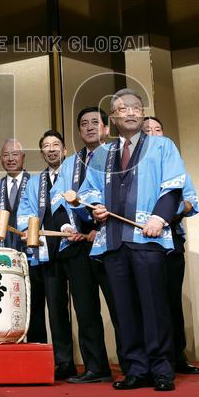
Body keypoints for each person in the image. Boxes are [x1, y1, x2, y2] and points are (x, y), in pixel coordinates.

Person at [77, 89, 185, 392]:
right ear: (112, 118)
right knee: (123, 310)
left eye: (136, 107)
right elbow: (87, 192)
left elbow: (174, 187)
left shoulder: (163, 146)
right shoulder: (102, 153)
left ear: (143, 112)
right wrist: (94, 207)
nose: (131, 112)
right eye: (123, 109)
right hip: (112, 240)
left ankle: (162, 369)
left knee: (154, 306)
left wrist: (159, 219)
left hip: (148, 238)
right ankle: (135, 368)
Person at [50, 107, 121, 383]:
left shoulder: (117, 156)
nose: (90, 127)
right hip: (77, 247)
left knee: (119, 305)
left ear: (106, 127)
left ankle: (133, 363)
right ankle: (96, 367)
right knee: (86, 308)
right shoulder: (70, 163)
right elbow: (58, 199)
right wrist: (69, 229)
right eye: (84, 124)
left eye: (95, 122)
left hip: (110, 241)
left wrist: (98, 229)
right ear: (79, 131)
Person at [141, 115, 199, 375]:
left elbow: (191, 202)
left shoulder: (177, 165)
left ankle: (177, 356)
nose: (154, 133)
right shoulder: (135, 167)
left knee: (171, 300)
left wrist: (167, 211)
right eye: (148, 130)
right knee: (148, 302)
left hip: (172, 239)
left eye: (158, 129)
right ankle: (150, 358)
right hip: (142, 239)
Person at [17, 131, 77, 380]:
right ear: (42, 153)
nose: (51, 149)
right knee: (44, 307)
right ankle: (41, 361)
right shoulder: (34, 183)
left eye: (56, 145)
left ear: (64, 150)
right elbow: (25, 211)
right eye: (46, 146)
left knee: (67, 308)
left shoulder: (74, 174)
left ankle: (67, 361)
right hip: (43, 249)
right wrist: (27, 230)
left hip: (71, 246)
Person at [0, 139, 45, 343]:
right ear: (1, 159)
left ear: (23, 157)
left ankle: (37, 350)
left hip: (33, 257)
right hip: (4, 259)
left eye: (15, 154)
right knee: (6, 306)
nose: (10, 159)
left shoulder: (37, 183)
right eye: (6, 155)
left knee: (34, 306)